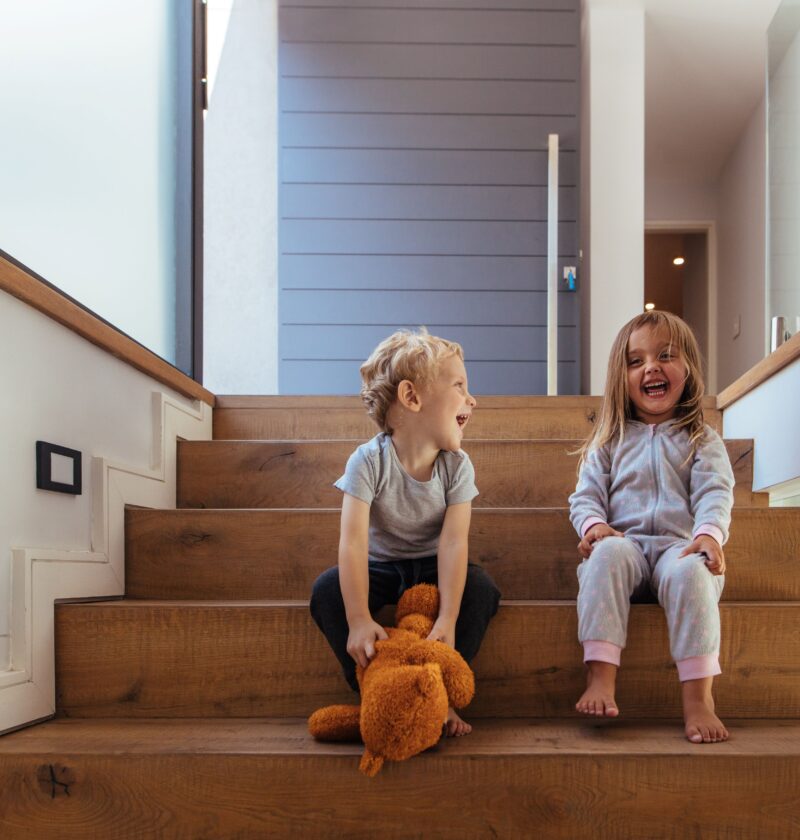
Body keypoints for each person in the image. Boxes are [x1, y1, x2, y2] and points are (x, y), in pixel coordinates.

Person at [310, 329, 501, 737]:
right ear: (412, 398)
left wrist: (448, 617)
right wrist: (359, 618)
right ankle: (378, 696)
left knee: (481, 589)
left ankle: (439, 698)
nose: (473, 399)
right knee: (326, 590)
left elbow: (453, 541)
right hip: (382, 566)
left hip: (433, 567)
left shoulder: (457, 465)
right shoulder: (368, 462)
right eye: (460, 385)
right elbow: (354, 542)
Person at [569, 310, 734, 743]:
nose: (651, 368)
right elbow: (584, 496)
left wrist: (708, 535)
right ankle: (601, 676)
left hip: (679, 549)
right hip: (624, 545)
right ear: (620, 377)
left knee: (693, 572)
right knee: (606, 555)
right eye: (636, 361)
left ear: (689, 369)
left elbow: (716, 492)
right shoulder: (608, 441)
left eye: (665, 356)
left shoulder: (702, 438)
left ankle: (698, 699)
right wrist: (594, 526)